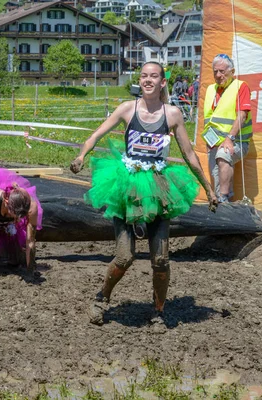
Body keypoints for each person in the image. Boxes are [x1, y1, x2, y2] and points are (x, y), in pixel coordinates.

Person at [70, 61, 217, 329]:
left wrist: (208, 188)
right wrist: (81, 155)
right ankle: (101, 298)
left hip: (160, 189)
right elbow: (97, 134)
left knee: (160, 259)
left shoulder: (172, 115)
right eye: (143, 76)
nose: (148, 80)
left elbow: (189, 154)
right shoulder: (128, 109)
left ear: (163, 82)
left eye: (153, 77)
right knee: (125, 257)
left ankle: (158, 311)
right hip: (127, 189)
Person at [202, 54, 252, 203]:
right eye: (215, 72)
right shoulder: (211, 89)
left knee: (223, 156)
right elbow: (210, 117)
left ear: (232, 71)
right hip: (214, 142)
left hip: (236, 141)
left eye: (222, 71)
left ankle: (224, 200)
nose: (218, 75)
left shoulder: (241, 86)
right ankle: (225, 204)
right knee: (216, 178)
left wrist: (229, 139)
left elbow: (242, 115)